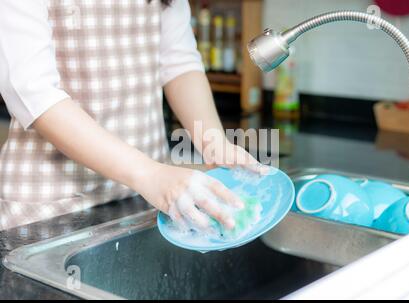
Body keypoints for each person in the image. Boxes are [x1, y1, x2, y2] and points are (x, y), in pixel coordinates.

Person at [0, 0, 264, 231]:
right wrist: (149, 174)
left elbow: (178, 62)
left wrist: (213, 142)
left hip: (142, 197)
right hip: (54, 205)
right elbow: (35, 94)